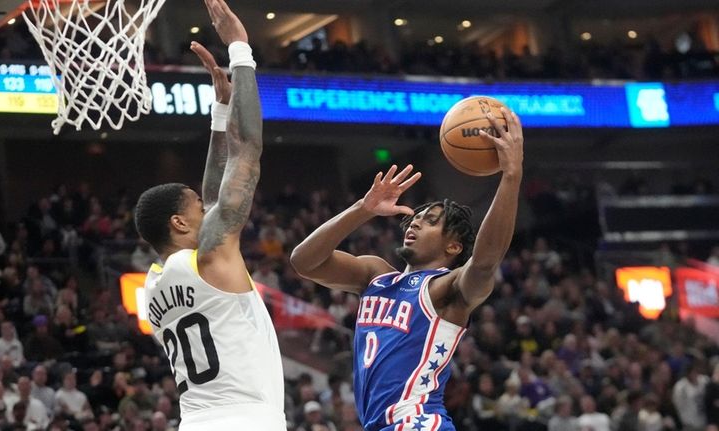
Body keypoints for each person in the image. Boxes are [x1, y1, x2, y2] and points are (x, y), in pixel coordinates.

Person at [291, 108, 523, 430]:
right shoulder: (375, 275)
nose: (414, 223)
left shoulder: (446, 290)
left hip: (417, 422)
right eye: (414, 218)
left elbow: (485, 260)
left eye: (430, 222)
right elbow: (304, 262)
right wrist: (363, 209)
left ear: (453, 246)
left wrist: (511, 176)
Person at [133, 1, 283, 430]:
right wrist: (241, 50)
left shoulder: (155, 284)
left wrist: (220, 115)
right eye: (198, 208)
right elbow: (249, 150)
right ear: (179, 224)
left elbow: (216, 192)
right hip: (248, 421)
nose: (207, 205)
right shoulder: (209, 258)